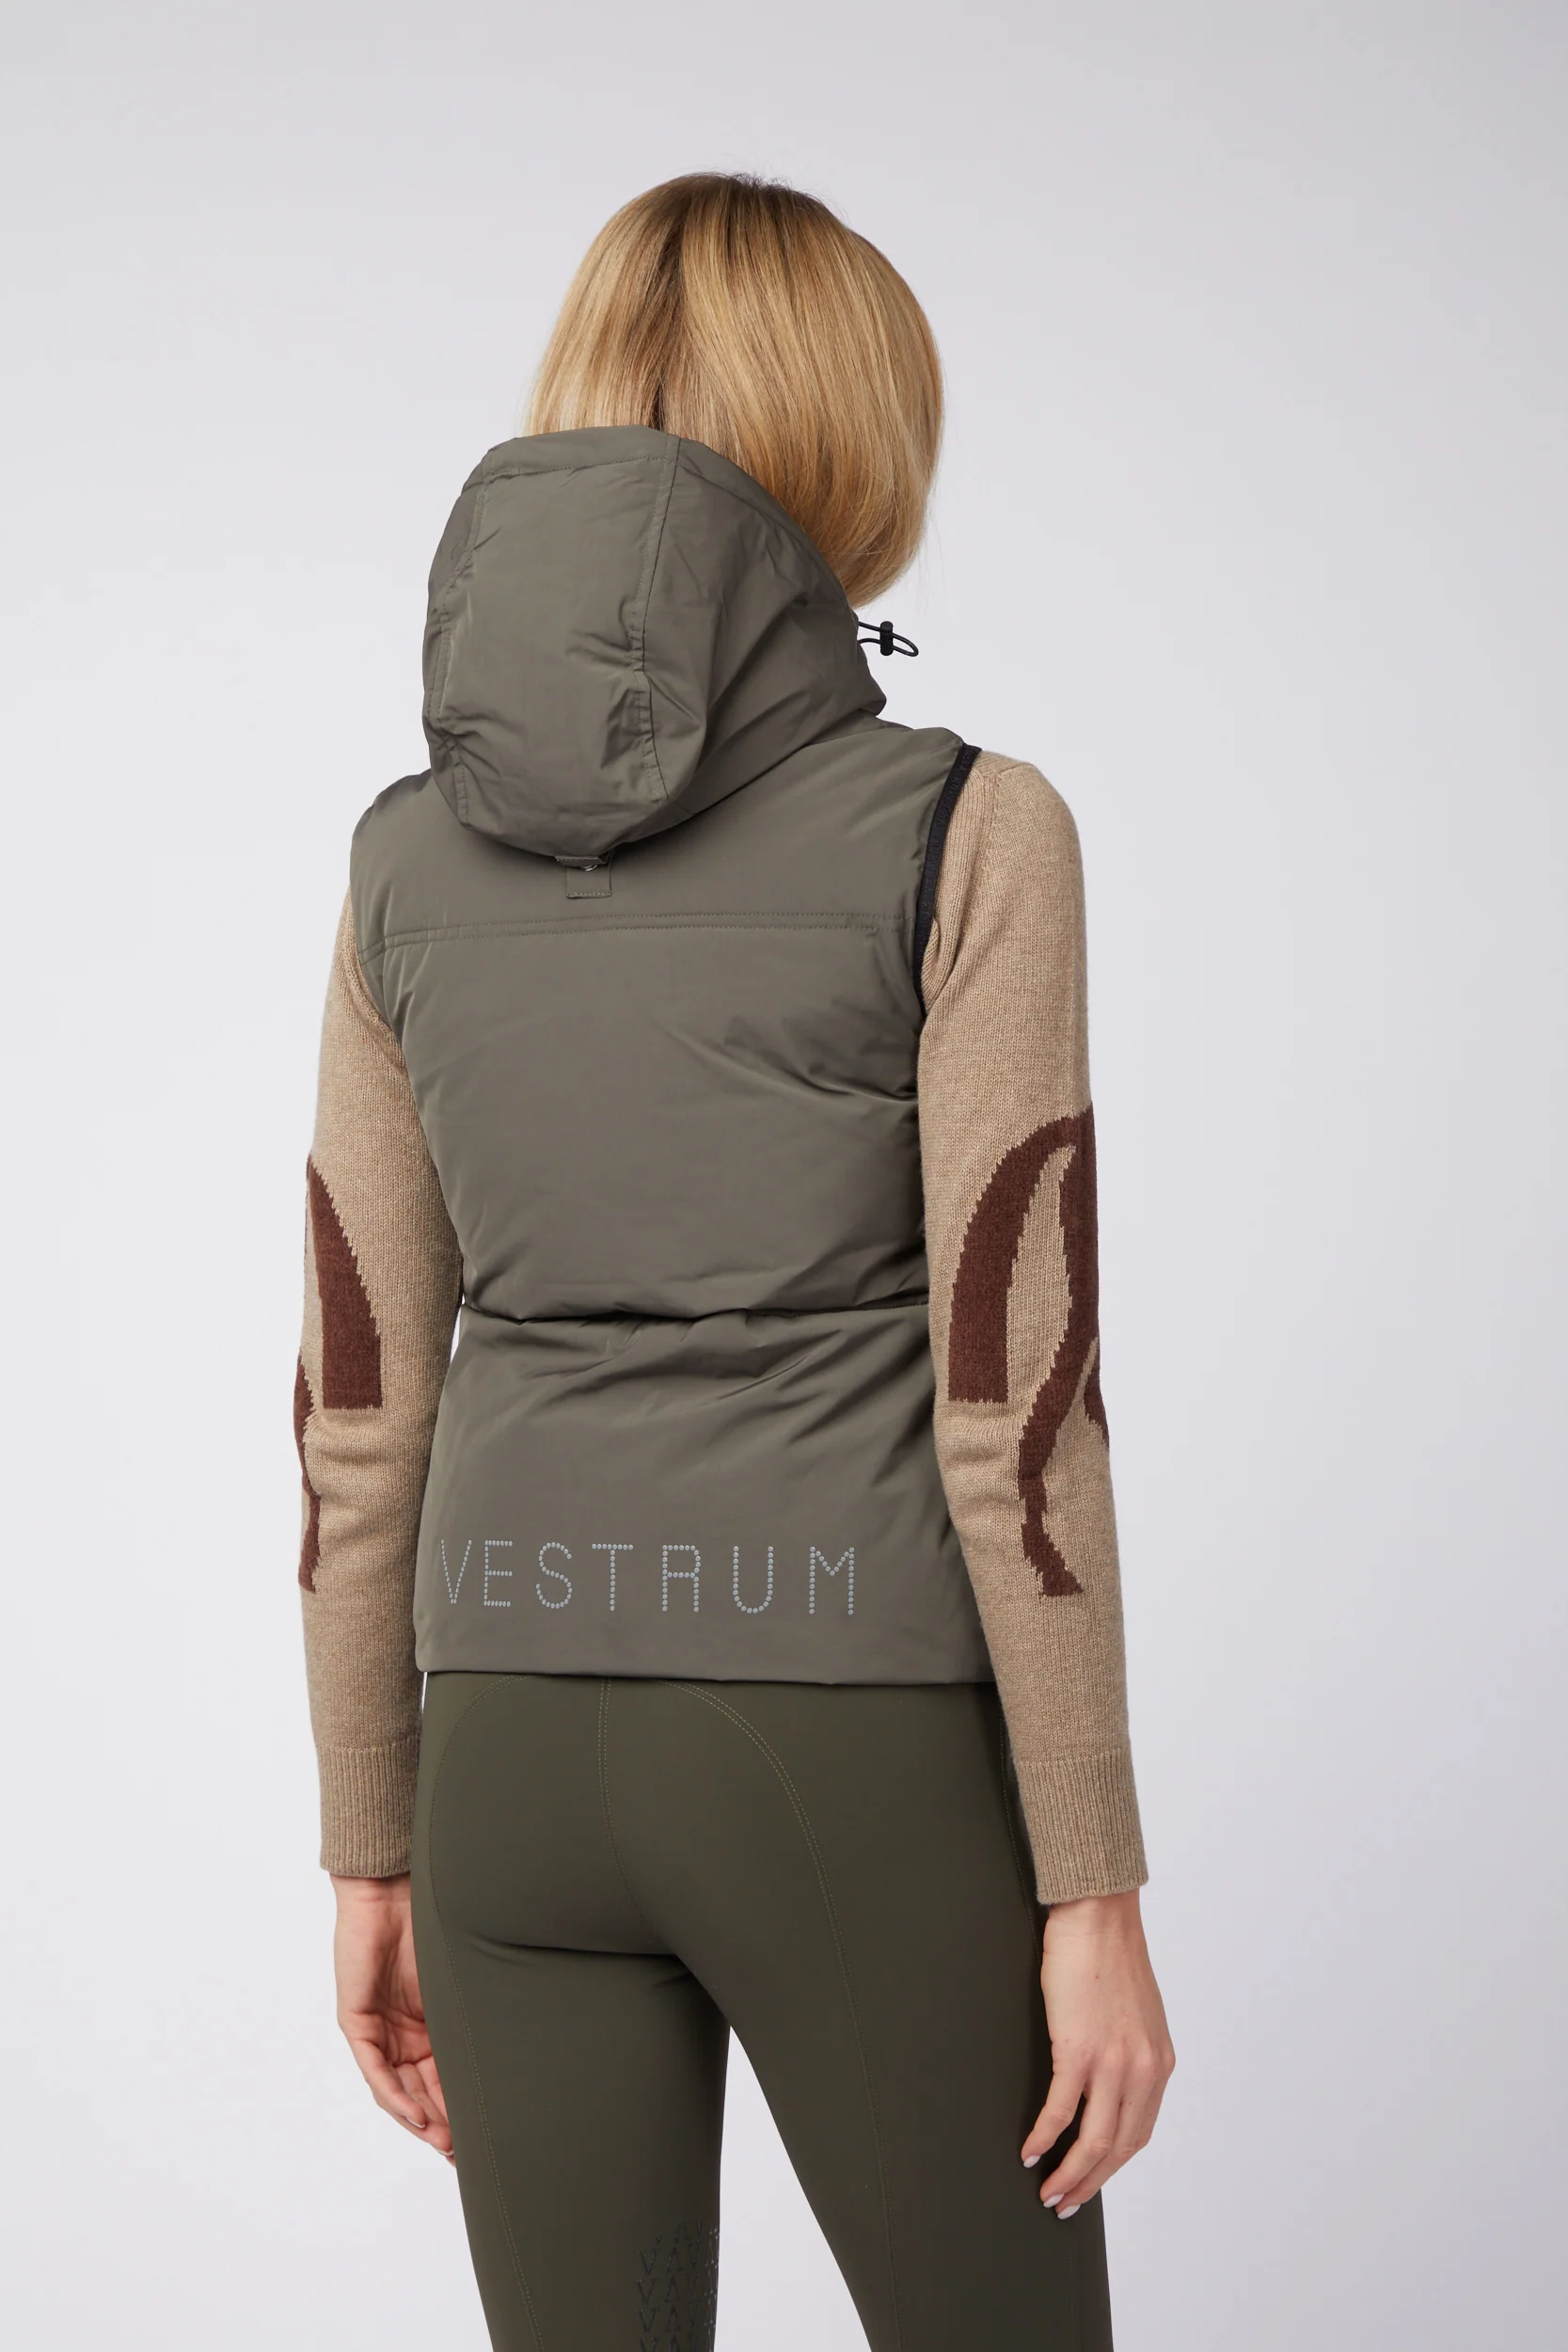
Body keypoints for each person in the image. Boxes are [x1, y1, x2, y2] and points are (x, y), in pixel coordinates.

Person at [295, 172, 1174, 2352]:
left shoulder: (400, 863)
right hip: (842, 1752)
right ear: (856, 435)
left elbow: (357, 1403)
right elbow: (1017, 1398)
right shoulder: (966, 828)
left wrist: (369, 1840)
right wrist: (1090, 1880)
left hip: (507, 1759)